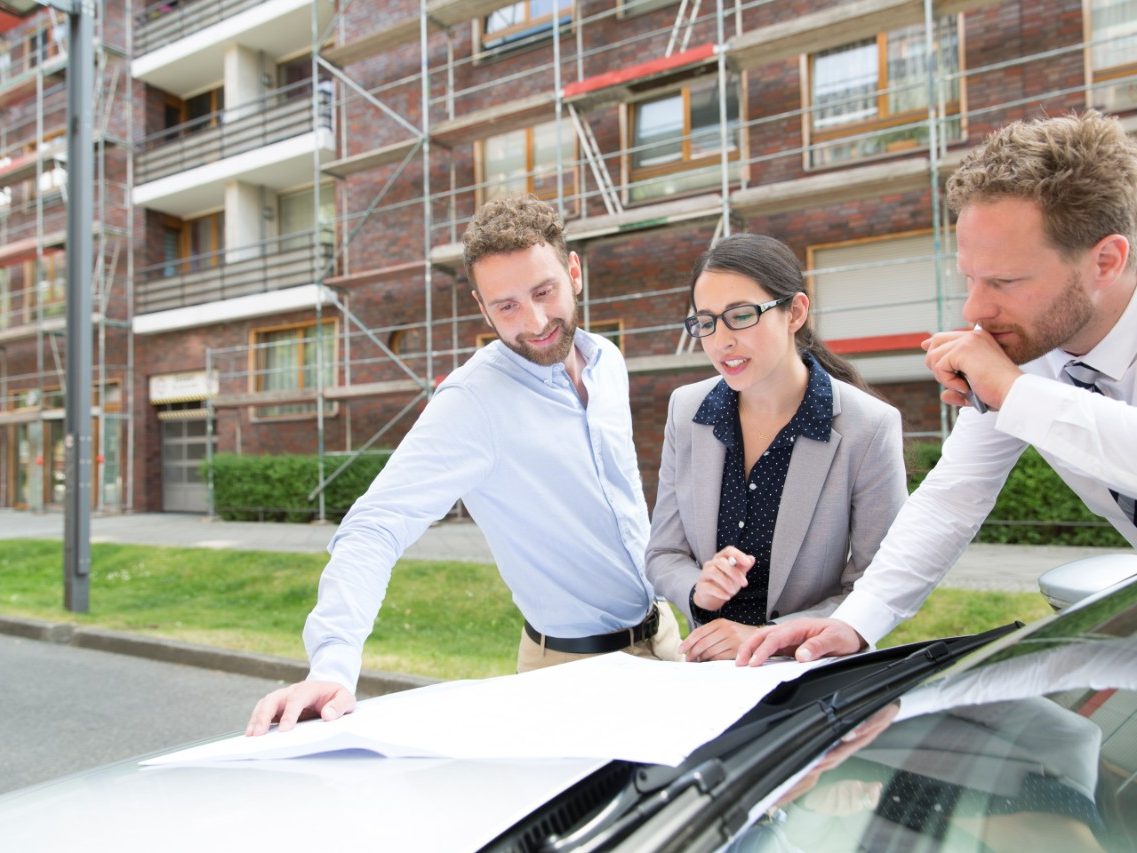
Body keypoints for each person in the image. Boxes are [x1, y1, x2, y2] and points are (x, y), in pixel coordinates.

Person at [247, 195, 681, 736]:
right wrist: (332, 665)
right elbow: (375, 526)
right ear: (482, 308)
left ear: (574, 272)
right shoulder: (472, 403)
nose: (536, 321)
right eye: (507, 307)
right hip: (572, 672)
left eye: (544, 292)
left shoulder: (607, 361)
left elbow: (628, 504)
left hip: (667, 637)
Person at [736, 110, 1137, 668]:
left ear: (1106, 262)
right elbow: (954, 498)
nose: (974, 309)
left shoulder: (1014, 376)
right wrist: (854, 621)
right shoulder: (1023, 352)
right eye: (969, 277)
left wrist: (1015, 393)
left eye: (1005, 281)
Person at [646, 233, 908, 661]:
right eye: (706, 322)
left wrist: (768, 636)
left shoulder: (869, 427)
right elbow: (663, 553)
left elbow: (880, 587)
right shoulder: (686, 410)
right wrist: (698, 588)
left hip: (806, 673)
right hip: (705, 674)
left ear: (795, 312)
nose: (721, 341)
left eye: (741, 316)